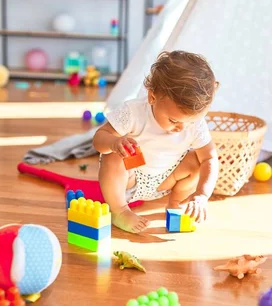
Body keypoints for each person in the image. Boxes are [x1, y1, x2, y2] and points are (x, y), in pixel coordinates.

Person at [93, 51, 219, 233]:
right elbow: (99, 138)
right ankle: (119, 210)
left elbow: (210, 158)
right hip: (132, 176)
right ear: (152, 97)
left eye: (190, 122)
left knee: (198, 161)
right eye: (174, 121)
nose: (182, 128)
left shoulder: (194, 124)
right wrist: (114, 142)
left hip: (166, 181)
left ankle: (175, 203)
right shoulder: (133, 112)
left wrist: (202, 195)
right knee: (113, 155)